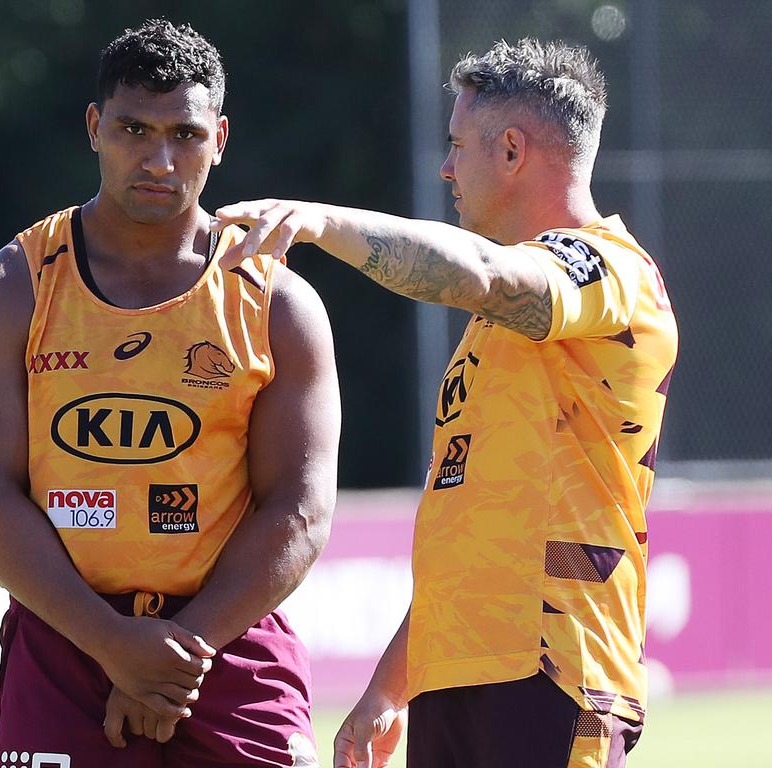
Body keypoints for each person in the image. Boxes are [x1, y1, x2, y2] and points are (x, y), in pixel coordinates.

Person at [215, 38, 678, 768]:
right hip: (454, 677)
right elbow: (469, 534)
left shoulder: (611, 271)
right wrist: (388, 689)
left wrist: (320, 221)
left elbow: (489, 275)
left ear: (513, 151)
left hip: (553, 670)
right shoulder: (489, 334)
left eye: (458, 144)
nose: (445, 166)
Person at [0, 19, 340, 768]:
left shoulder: (278, 303)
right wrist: (111, 643)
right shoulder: (7, 290)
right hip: (65, 643)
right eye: (132, 128)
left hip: (230, 641)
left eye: (184, 134)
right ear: (95, 127)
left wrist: (170, 658)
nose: (158, 159)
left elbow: (301, 507)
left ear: (219, 138)